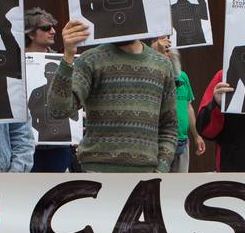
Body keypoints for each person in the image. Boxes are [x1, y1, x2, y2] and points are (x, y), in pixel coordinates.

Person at [48, 21, 176, 172]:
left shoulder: (162, 64)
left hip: (146, 175)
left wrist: (161, 169)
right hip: (96, 172)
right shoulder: (90, 60)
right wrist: (68, 55)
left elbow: (169, 126)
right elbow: (58, 111)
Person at [24, 7, 75, 173]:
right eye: (46, 28)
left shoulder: (64, 61)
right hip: (28, 143)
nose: (53, 31)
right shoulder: (16, 62)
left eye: (53, 27)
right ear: (31, 34)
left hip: (60, 144)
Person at [152, 36, 204, 171]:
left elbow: (188, 107)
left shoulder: (183, 77)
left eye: (170, 49)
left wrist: (196, 135)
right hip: (159, 142)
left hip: (182, 140)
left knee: (180, 186)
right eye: (163, 49)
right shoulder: (151, 77)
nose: (168, 53)